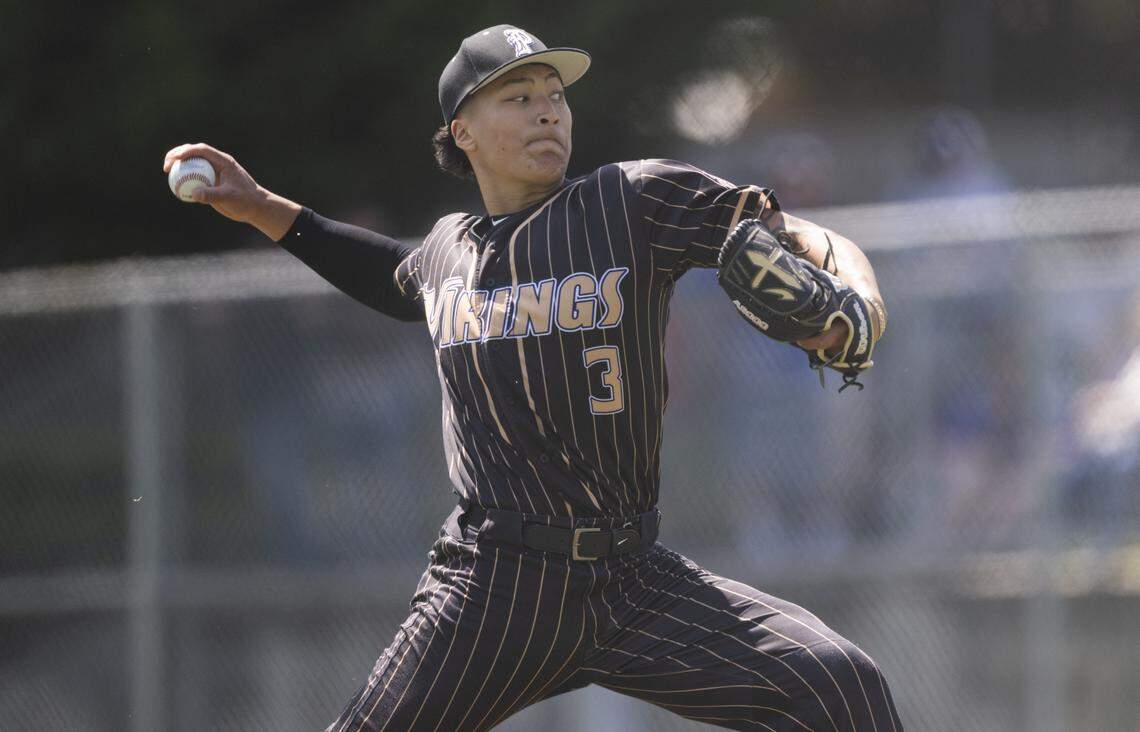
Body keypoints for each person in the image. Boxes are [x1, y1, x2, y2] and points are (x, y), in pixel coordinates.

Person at [165, 24, 900, 732]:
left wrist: (859, 298)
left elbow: (793, 231)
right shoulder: (448, 252)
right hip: (496, 589)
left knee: (841, 688)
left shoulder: (629, 202)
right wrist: (259, 207)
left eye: (554, 93)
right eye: (517, 97)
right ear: (463, 131)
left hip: (633, 579)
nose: (548, 107)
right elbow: (383, 272)